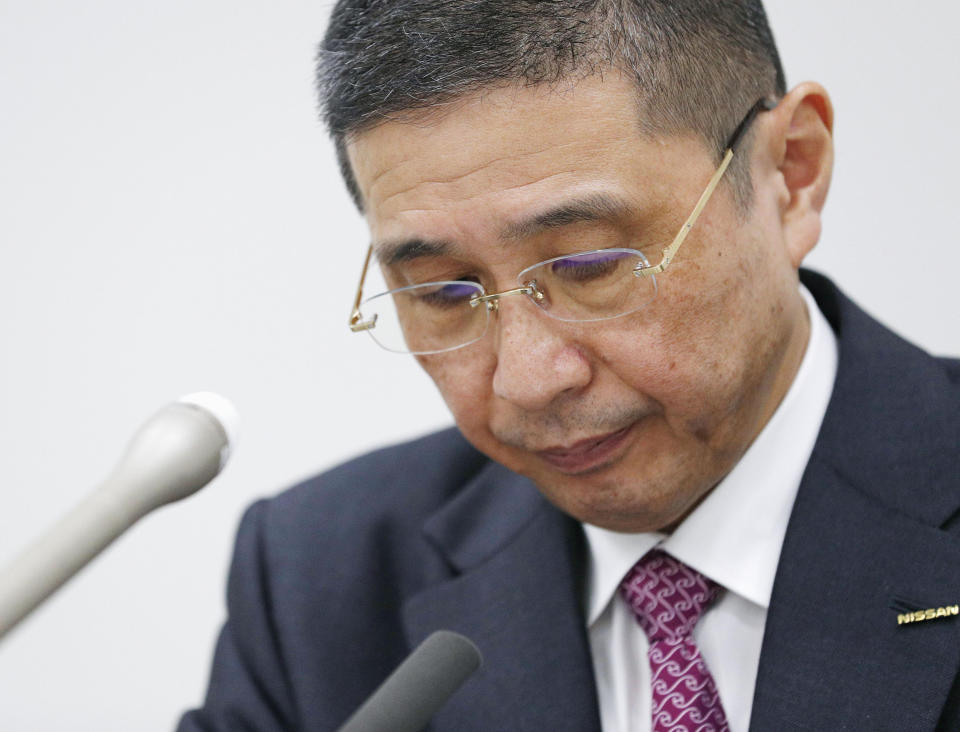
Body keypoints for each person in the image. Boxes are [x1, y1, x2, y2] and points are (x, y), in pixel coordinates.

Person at [179, 1, 960, 730]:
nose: (527, 378)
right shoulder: (319, 582)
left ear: (790, 174)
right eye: (445, 291)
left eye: (589, 266)